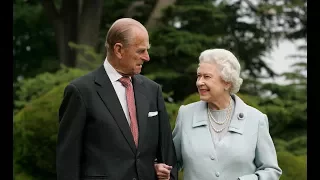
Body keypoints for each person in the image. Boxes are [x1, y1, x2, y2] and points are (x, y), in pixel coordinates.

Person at [56, 18, 177, 180]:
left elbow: (167, 154)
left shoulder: (152, 90)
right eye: (141, 51)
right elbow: (67, 161)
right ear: (119, 50)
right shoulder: (81, 91)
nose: (147, 57)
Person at [155, 48, 282, 180]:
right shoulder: (186, 115)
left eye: (207, 77)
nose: (199, 82)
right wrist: (161, 169)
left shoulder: (256, 120)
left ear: (227, 82)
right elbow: (171, 162)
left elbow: (271, 170)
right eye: (199, 76)